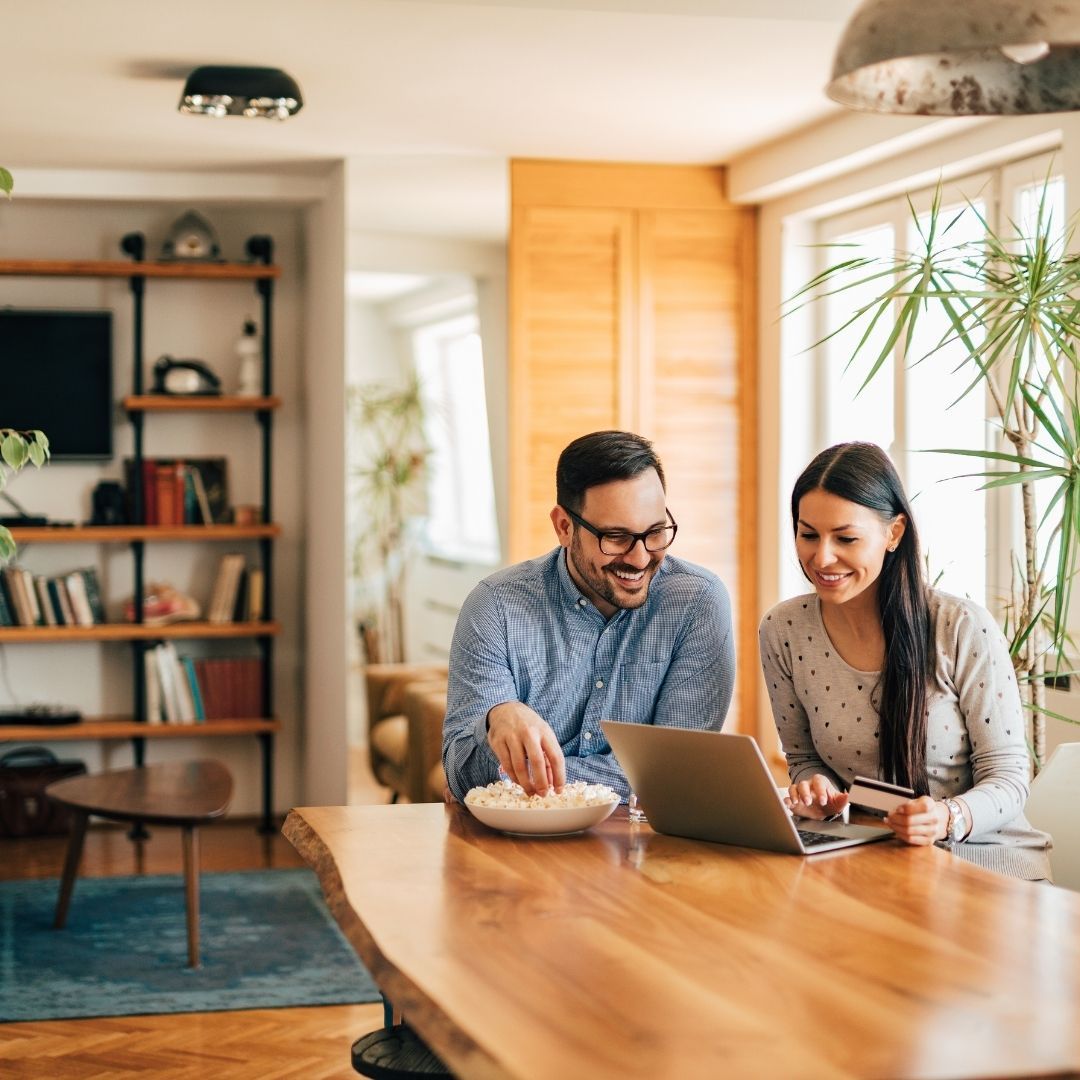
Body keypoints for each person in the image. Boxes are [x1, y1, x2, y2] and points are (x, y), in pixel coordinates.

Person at [759, 441, 1051, 880]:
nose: (821, 557)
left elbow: (1010, 778)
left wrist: (947, 817)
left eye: (846, 538)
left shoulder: (959, 626)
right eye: (808, 534)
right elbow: (802, 756)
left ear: (893, 533)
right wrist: (816, 788)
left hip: (987, 864)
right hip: (874, 861)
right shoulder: (783, 630)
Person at [443, 429, 735, 802]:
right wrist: (496, 718)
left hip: (644, 846)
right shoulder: (495, 607)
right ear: (565, 527)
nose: (640, 558)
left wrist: (521, 779)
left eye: (656, 532)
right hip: (514, 845)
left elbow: (673, 773)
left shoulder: (697, 603)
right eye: (616, 537)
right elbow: (461, 774)